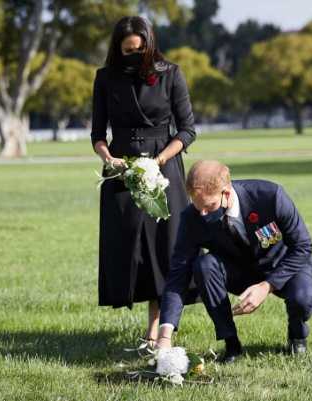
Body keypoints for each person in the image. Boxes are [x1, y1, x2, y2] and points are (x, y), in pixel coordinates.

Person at [90, 16, 196, 347]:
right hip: (123, 172)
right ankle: (147, 318)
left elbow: (187, 130)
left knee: (162, 250)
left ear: (149, 45)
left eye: (139, 50)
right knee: (130, 250)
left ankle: (157, 330)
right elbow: (97, 133)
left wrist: (160, 160)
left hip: (163, 169)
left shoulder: (171, 74)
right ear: (117, 49)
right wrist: (108, 158)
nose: (133, 55)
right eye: (127, 51)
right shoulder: (105, 78)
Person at [156, 160, 312, 362]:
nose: (202, 213)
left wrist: (267, 286)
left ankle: (297, 335)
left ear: (226, 192)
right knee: (204, 266)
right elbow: (178, 273)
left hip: (284, 264)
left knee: (302, 300)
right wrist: (164, 335)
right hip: (239, 271)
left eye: (209, 206)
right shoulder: (192, 217)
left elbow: (303, 247)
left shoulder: (270, 196)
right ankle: (231, 344)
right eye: (197, 206)